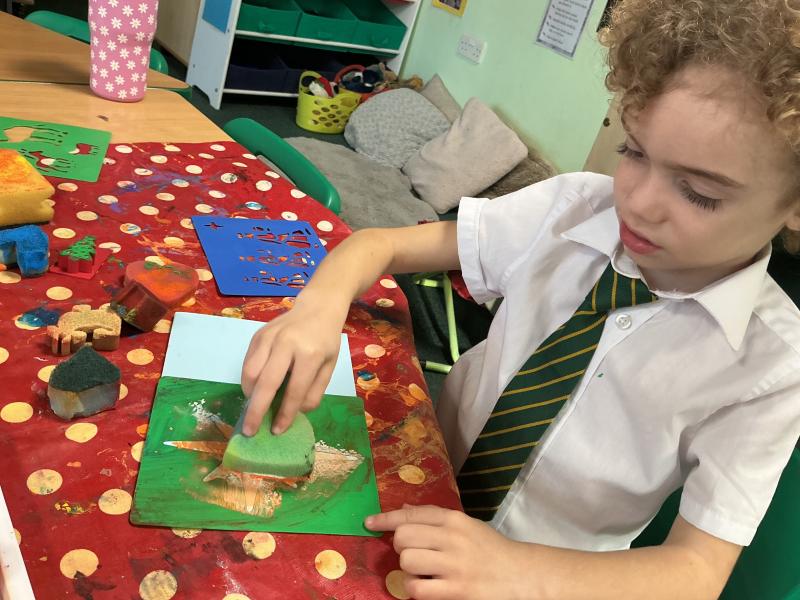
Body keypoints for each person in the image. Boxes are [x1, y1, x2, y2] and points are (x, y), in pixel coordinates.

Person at [240, 0, 800, 597]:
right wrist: (317, 308)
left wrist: (513, 569)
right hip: (414, 472)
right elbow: (378, 244)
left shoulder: (774, 366)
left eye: (699, 192)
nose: (637, 202)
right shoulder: (572, 207)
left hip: (544, 579)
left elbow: (696, 573)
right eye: (634, 152)